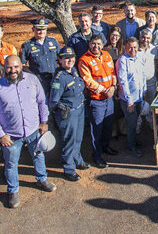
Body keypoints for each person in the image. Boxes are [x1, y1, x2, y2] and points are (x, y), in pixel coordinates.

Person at [0, 56, 56, 209]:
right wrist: (0, 134)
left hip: (33, 130)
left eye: (16, 67)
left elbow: (41, 101)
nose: (13, 71)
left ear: (21, 66)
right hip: (11, 135)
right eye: (9, 68)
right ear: (4, 68)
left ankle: (42, 179)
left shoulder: (32, 80)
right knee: (11, 164)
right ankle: (13, 191)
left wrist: (44, 122)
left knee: (38, 155)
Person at [48, 47, 89, 182]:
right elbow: (53, 101)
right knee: (69, 140)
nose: (69, 60)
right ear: (59, 60)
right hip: (68, 113)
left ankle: (78, 159)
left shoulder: (74, 71)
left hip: (79, 109)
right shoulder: (59, 78)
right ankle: (69, 168)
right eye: (65, 58)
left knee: (78, 138)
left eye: (71, 57)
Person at [78, 35, 118, 168]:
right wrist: (103, 90)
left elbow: (113, 72)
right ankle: (97, 155)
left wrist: (113, 87)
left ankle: (106, 147)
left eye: (99, 44)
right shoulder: (84, 60)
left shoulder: (106, 54)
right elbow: (87, 80)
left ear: (102, 44)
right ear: (89, 44)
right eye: (93, 44)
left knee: (108, 125)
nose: (96, 46)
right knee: (97, 128)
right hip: (96, 100)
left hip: (109, 97)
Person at [116, 37, 147, 158]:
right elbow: (123, 82)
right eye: (130, 47)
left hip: (139, 97)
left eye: (135, 47)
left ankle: (133, 141)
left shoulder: (139, 57)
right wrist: (129, 101)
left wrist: (144, 90)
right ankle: (131, 147)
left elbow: (143, 74)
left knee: (135, 121)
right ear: (125, 47)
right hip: (129, 100)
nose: (132, 50)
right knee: (131, 123)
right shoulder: (123, 60)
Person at [20, 19, 61, 94]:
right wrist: (33, 76)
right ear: (33, 29)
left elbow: (61, 58)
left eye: (43, 29)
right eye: (38, 29)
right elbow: (22, 65)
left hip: (54, 78)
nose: (41, 32)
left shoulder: (53, 41)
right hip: (39, 81)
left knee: (56, 98)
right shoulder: (27, 45)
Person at [138, 28, 158, 110]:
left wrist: (156, 76)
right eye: (143, 37)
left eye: (148, 38)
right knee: (138, 104)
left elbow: (157, 63)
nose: (145, 40)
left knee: (150, 104)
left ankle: (150, 121)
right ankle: (138, 122)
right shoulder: (134, 49)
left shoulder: (154, 49)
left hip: (151, 82)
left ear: (151, 39)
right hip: (138, 83)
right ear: (140, 37)